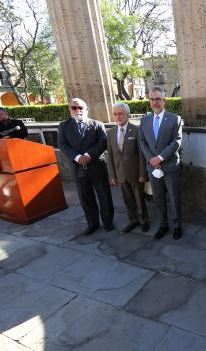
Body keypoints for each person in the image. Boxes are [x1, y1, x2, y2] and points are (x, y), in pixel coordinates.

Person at [58, 98, 114, 235]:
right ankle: (92, 223)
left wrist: (89, 155)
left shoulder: (97, 124)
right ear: (70, 110)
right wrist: (78, 157)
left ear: (86, 109)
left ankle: (108, 222)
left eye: (80, 107)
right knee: (85, 198)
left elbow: (103, 141)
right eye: (74, 108)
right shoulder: (64, 126)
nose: (77, 110)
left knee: (104, 196)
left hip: (97, 166)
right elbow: (63, 145)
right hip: (78, 168)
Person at [138, 86, 183, 240]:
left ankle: (177, 226)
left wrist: (161, 157)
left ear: (165, 101)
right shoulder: (145, 120)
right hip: (153, 167)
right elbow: (142, 141)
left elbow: (177, 141)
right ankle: (163, 224)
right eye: (152, 99)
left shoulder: (174, 118)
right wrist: (151, 158)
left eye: (158, 99)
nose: (154, 102)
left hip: (170, 166)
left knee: (174, 198)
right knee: (158, 198)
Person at [106, 102, 149, 233]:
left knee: (139, 198)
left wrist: (142, 173)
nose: (118, 117)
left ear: (127, 114)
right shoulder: (111, 133)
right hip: (120, 174)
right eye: (115, 114)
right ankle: (133, 220)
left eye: (121, 114)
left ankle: (143, 220)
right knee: (127, 199)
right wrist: (112, 175)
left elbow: (142, 155)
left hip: (135, 173)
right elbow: (110, 156)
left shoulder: (136, 130)